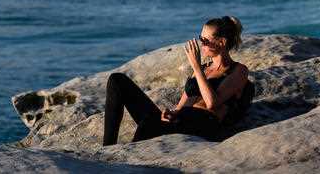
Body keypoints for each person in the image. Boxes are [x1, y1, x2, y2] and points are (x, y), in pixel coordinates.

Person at [103, 16, 250, 146]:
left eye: (205, 40)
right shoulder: (204, 68)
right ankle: (107, 148)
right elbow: (181, 106)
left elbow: (212, 103)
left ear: (222, 42)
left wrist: (196, 67)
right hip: (180, 120)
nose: (201, 44)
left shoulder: (238, 70)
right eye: (200, 38)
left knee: (148, 125)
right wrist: (171, 113)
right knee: (117, 80)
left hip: (202, 125)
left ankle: (129, 159)